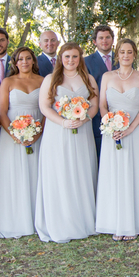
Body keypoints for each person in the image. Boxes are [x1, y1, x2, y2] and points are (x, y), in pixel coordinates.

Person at [35, 42, 99, 243]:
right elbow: (44, 107)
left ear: (80, 58)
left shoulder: (88, 79)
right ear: (61, 58)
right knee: (61, 173)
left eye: (74, 56)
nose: (70, 60)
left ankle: (84, 220)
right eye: (67, 57)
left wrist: (85, 118)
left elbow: (95, 105)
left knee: (81, 171)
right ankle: (61, 222)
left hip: (82, 131)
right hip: (58, 132)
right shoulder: (51, 79)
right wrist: (63, 121)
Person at [96, 38, 139, 241]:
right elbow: (102, 105)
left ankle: (136, 222)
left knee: (135, 173)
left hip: (135, 132)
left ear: (134, 55)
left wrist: (131, 128)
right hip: (112, 132)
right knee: (114, 174)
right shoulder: (107, 76)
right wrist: (111, 124)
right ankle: (115, 222)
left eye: (129, 52)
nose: (125, 55)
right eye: (122, 52)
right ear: (117, 54)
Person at [0, 47, 45, 239]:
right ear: (15, 63)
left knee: (36, 172)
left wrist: (38, 131)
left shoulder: (42, 81)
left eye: (28, 58)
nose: (24, 62)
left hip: (38, 131)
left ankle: (37, 217)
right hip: (12, 134)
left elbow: (46, 109)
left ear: (33, 61)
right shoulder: (8, 82)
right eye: (20, 59)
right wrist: (14, 135)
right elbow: (1, 112)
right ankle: (16, 219)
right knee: (14, 173)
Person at [85, 25, 115, 156]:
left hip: (121, 112)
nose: (105, 40)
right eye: (101, 38)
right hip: (96, 116)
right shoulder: (85, 62)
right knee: (99, 154)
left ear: (113, 39)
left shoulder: (122, 58)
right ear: (94, 41)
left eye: (108, 37)